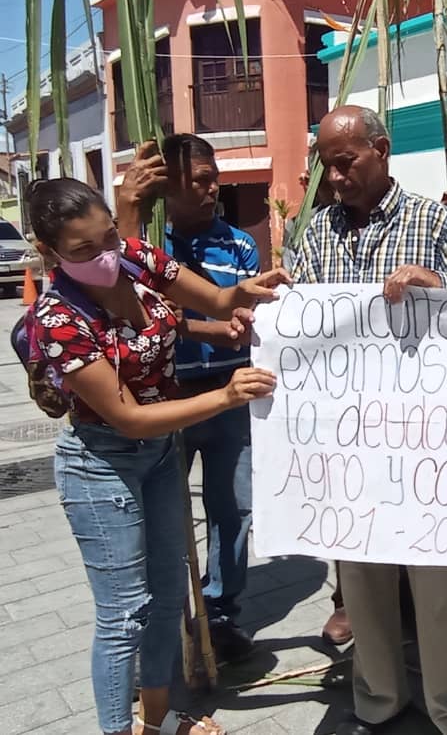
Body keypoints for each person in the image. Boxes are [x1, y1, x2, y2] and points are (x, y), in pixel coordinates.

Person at [28, 177, 289, 735]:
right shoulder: (56, 321)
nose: (103, 256)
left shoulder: (134, 255)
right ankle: (117, 729)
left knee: (169, 597)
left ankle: (159, 718)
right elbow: (128, 416)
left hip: (159, 458)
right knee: (125, 614)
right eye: (82, 251)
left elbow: (216, 299)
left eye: (107, 239)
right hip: (101, 466)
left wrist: (247, 291)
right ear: (49, 253)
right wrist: (222, 396)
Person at [291, 104, 447, 735]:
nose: (335, 176)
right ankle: (377, 697)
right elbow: (299, 316)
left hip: (428, 438)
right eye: (326, 164)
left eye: (345, 162)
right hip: (348, 441)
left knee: (436, 584)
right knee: (363, 575)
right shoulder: (316, 231)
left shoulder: (432, 219)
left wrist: (436, 284)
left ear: (380, 151)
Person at [117, 134, 263, 664]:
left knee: (236, 508)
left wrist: (246, 325)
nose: (211, 189)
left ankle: (221, 615)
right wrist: (211, 328)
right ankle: (173, 618)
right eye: (197, 181)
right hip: (169, 399)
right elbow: (141, 313)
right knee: (169, 514)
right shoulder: (146, 248)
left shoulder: (241, 246)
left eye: (212, 177)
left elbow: (243, 310)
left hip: (232, 398)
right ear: (169, 189)